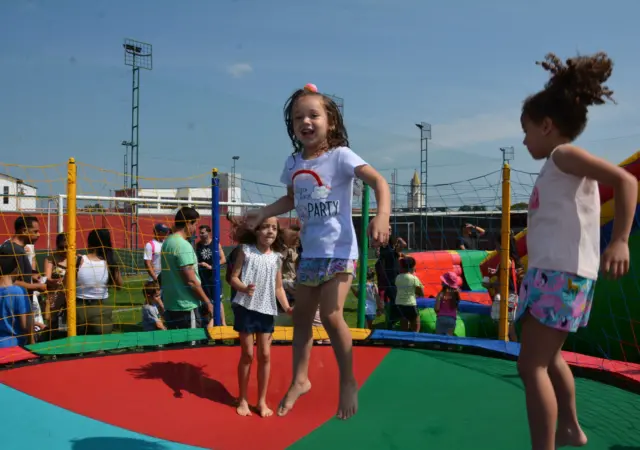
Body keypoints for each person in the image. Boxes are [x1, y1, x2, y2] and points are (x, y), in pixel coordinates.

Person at [244, 83, 391, 420]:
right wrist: (264, 212)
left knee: (331, 315)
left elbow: (379, 182)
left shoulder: (341, 156)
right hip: (311, 253)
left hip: (339, 249)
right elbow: (292, 200)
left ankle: (349, 380)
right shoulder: (294, 162)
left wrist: (382, 215)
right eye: (298, 118)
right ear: (292, 126)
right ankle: (300, 378)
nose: (305, 122)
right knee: (301, 321)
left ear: (331, 122)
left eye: (313, 115)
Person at [517, 51, 636, 450]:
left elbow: (625, 181)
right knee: (549, 359)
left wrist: (619, 239)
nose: (524, 139)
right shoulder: (555, 167)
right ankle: (569, 427)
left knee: (530, 365)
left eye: (527, 130)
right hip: (551, 274)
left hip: (561, 275)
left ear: (547, 125)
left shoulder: (562, 155)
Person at [229, 216, 293, 418]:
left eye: (273, 228)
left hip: (266, 309)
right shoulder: (246, 251)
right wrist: (243, 287)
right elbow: (233, 277)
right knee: (248, 354)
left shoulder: (277, 258)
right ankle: (243, 399)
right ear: (256, 231)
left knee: (265, 354)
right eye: (265, 227)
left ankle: (262, 400)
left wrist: (287, 307)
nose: (270, 232)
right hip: (246, 307)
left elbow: (278, 287)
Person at [161, 207, 213, 330]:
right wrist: (207, 302)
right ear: (188, 223)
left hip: (170, 304)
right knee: (191, 346)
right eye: (195, 224)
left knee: (175, 347)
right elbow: (190, 280)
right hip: (186, 306)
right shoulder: (183, 245)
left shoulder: (167, 242)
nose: (195, 229)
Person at [76, 229, 123, 335]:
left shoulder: (79, 260)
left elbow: (66, 284)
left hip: (79, 308)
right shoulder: (110, 263)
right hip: (101, 308)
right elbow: (119, 285)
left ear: (89, 243)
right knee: (99, 347)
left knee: (77, 346)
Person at [196, 224, 227, 326]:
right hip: (203, 277)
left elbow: (223, 259)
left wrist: (211, 266)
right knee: (206, 301)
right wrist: (199, 264)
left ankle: (223, 323)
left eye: (202, 232)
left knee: (218, 300)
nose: (200, 235)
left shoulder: (215, 244)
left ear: (209, 232)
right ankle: (210, 321)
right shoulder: (198, 245)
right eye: (199, 233)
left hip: (214, 277)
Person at [394, 256, 424, 332]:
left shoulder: (397, 277)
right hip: (410, 304)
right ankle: (413, 341)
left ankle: (405, 341)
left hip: (399, 304)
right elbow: (421, 292)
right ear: (412, 267)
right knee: (416, 325)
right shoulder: (413, 278)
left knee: (404, 325)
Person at [434, 271, 462, 336]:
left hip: (441, 318)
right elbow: (456, 309)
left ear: (444, 283)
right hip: (452, 319)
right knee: (449, 339)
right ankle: (449, 346)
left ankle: (438, 346)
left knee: (439, 339)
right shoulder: (456, 295)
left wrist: (438, 312)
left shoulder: (441, 294)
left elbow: (437, 308)